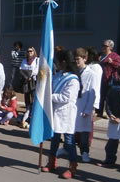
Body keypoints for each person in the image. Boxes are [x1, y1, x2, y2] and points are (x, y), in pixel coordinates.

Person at [41, 50, 82, 179]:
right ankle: (52, 162)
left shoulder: (73, 80)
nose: (55, 65)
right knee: (54, 140)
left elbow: (66, 97)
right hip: (55, 112)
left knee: (69, 142)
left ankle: (72, 167)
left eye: (57, 62)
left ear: (64, 62)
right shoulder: (58, 75)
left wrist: (48, 96)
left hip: (66, 114)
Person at [73, 48, 98, 163]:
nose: (76, 61)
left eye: (78, 59)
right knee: (71, 131)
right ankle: (69, 149)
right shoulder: (73, 72)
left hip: (84, 106)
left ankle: (84, 152)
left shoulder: (91, 74)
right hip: (74, 106)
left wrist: (88, 109)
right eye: (75, 59)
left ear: (85, 58)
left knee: (83, 133)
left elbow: (93, 93)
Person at [98, 39, 120, 117]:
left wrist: (112, 62)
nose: (103, 47)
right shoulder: (100, 55)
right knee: (101, 95)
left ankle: (107, 112)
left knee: (108, 97)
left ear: (111, 47)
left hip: (110, 79)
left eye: (105, 46)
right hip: (100, 79)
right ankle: (99, 111)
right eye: (102, 45)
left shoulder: (115, 56)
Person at [19, 46, 39, 129]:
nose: (29, 53)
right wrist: (27, 76)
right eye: (28, 51)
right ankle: (26, 117)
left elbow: (36, 70)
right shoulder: (24, 61)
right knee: (27, 100)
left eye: (31, 51)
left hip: (34, 82)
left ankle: (33, 118)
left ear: (34, 52)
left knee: (34, 99)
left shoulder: (37, 60)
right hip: (26, 82)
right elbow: (21, 69)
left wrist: (30, 75)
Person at [86, 47, 103, 111]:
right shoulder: (89, 66)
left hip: (92, 96)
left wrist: (94, 100)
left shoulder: (96, 67)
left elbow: (95, 84)